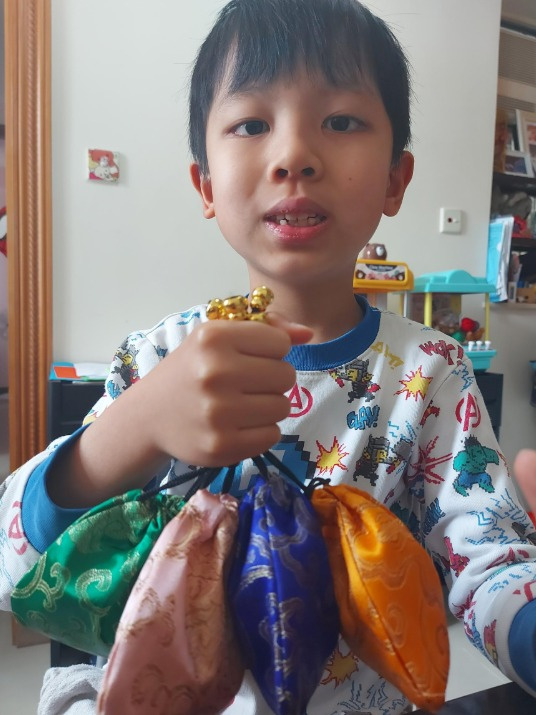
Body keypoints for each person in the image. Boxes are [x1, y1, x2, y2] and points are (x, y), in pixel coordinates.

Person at [1, 1, 536, 713]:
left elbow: (491, 564)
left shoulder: (434, 372)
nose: (294, 156)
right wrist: (140, 423)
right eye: (252, 124)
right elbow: (14, 563)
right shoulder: (160, 357)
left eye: (340, 121)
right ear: (205, 186)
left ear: (395, 180)